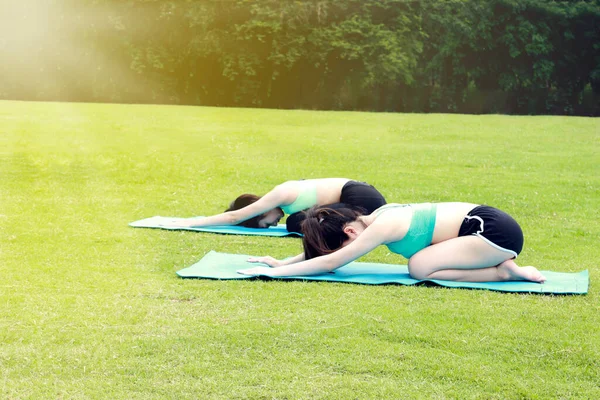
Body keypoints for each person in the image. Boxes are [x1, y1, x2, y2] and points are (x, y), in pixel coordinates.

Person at [238, 202, 546, 283]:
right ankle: (500, 266)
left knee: (420, 267)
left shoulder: (383, 225)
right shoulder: (373, 217)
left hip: (492, 232)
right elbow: (328, 256)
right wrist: (281, 262)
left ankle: (502, 272)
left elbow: (330, 262)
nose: (343, 253)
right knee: (421, 265)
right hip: (484, 229)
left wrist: (274, 274)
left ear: (350, 234)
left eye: (340, 245)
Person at [163, 178, 386, 233]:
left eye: (265, 223)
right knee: (297, 222)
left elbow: (234, 217)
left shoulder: (279, 195)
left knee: (296, 222)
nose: (271, 225)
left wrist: (192, 222)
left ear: (258, 209)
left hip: (360, 198)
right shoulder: (287, 203)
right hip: (361, 197)